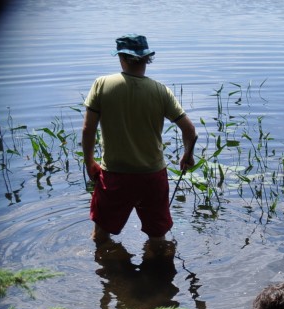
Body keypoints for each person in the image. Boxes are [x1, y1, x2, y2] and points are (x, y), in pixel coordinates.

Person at [81, 34, 199, 245]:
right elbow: (190, 131)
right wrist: (187, 155)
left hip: (115, 175)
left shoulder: (102, 84)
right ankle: (157, 273)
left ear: (122, 58)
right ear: (147, 59)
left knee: (101, 235)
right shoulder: (161, 91)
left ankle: (109, 273)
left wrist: (89, 162)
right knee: (157, 238)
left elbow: (88, 129)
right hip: (152, 177)